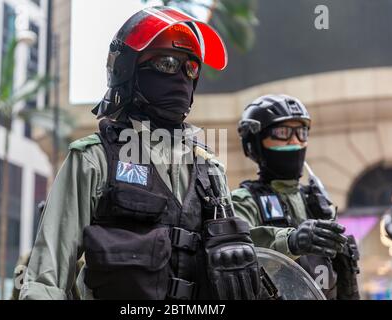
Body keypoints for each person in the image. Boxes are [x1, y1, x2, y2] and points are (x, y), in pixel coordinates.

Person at [19, 6, 262, 300]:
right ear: (129, 69)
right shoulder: (94, 159)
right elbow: (47, 278)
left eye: (191, 67)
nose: (182, 76)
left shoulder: (210, 170)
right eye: (168, 63)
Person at [232, 94, 360, 300]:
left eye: (301, 132)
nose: (295, 141)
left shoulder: (317, 203)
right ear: (255, 142)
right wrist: (290, 243)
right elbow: (238, 259)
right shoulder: (243, 202)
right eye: (282, 132)